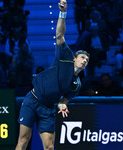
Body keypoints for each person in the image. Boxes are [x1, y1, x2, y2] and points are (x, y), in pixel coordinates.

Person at [15, 0, 90, 150]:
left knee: (49, 147)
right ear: (75, 58)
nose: (84, 61)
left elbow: (63, 100)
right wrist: (63, 13)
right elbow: (59, 35)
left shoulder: (76, 85)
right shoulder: (65, 56)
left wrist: (62, 106)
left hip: (48, 108)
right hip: (32, 99)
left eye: (87, 60)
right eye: (82, 57)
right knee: (23, 140)